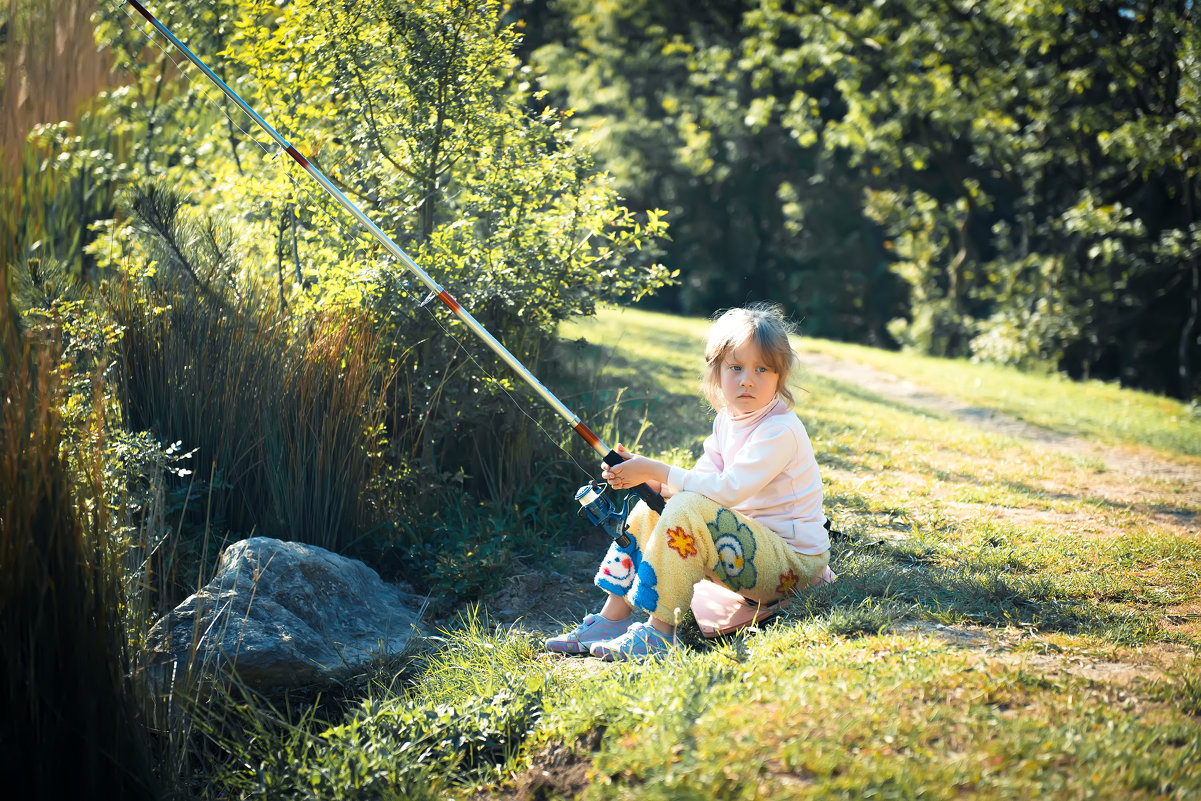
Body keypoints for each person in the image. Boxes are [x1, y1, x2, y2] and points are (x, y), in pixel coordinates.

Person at [546, 303, 833, 660]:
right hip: (751, 552)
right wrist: (650, 483)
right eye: (736, 368)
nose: (747, 379)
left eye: (762, 369)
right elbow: (699, 482)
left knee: (683, 506)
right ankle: (613, 617)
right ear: (717, 373)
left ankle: (660, 632)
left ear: (779, 377)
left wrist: (658, 470)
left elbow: (727, 490)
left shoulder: (780, 430)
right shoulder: (728, 420)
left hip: (795, 568)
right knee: (653, 506)